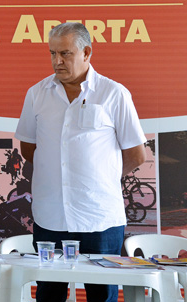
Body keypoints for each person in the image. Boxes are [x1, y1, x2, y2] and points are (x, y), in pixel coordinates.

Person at [15, 22, 146, 302]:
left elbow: (136, 154)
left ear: (86, 52)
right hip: (50, 216)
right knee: (49, 294)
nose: (57, 61)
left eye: (65, 54)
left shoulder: (113, 93)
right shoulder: (36, 94)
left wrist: (102, 177)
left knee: (102, 295)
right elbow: (29, 148)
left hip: (99, 218)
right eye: (52, 53)